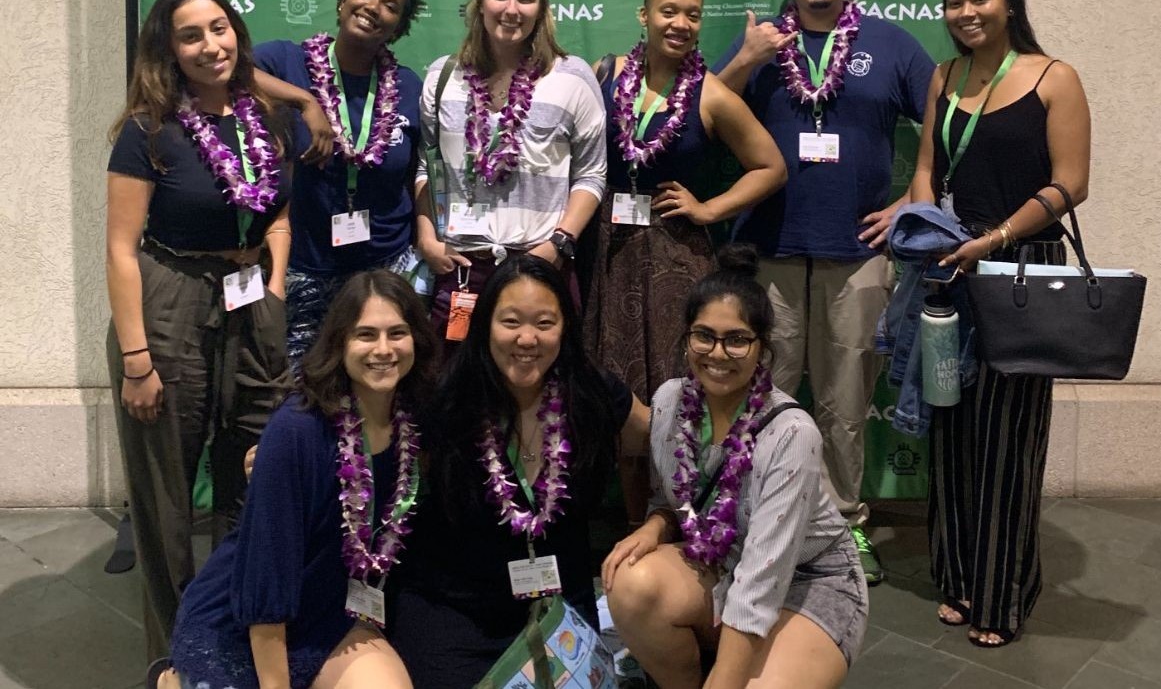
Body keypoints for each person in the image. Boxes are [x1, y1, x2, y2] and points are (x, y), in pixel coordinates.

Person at [713, 0, 936, 583]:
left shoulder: (891, 45)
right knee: (765, 399)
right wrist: (748, 56)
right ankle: (758, 524)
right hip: (771, 250)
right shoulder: (760, 45)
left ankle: (843, 528)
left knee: (842, 406)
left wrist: (912, 199)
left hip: (858, 256)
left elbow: (950, 123)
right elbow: (704, 110)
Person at [106, 0, 295, 661]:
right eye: (191, 35)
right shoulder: (147, 130)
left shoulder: (266, 117)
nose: (210, 44)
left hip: (249, 299)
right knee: (166, 494)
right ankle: (176, 656)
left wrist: (272, 281)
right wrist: (137, 361)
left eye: (219, 27)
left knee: (256, 465)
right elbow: (121, 249)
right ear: (169, 48)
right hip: (169, 300)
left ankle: (243, 633)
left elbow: (278, 210)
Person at [908, 0, 1090, 647]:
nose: (966, 13)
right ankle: (956, 578)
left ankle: (1001, 595)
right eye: (954, 2)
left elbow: (1072, 183)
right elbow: (927, 165)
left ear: (1008, 2)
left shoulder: (1054, 77)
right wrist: (928, 228)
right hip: (950, 267)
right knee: (951, 428)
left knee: (1008, 441)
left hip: (1021, 270)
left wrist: (996, 238)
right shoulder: (945, 76)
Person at [603, 246, 867, 688]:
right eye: (703, 335)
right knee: (630, 581)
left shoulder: (791, 433)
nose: (717, 353)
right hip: (722, 562)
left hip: (808, 581)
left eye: (737, 339)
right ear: (687, 338)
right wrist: (652, 527)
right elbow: (671, 500)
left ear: (762, 348)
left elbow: (763, 576)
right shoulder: (670, 401)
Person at [162, 270, 434, 688]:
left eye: (397, 333)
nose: (383, 349)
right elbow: (266, 575)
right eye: (366, 335)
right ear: (339, 342)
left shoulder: (415, 421)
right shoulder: (298, 430)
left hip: (331, 616)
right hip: (244, 625)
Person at [388, 255, 640, 687]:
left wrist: (657, 523)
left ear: (565, 329)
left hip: (559, 604)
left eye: (544, 323)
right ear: (485, 325)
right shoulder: (448, 398)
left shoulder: (590, 392)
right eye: (511, 322)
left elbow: (665, 440)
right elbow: (372, 444)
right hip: (454, 608)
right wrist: (288, 449)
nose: (527, 338)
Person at [584, 0, 786, 405]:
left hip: (677, 258)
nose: (680, 24)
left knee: (677, 387)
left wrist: (710, 210)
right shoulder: (602, 75)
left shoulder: (711, 94)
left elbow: (771, 167)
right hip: (605, 252)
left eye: (692, 15)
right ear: (644, 14)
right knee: (609, 388)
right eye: (668, 12)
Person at [413, 0, 606, 342]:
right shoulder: (442, 76)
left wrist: (558, 244)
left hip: (539, 266)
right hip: (461, 267)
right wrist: (426, 236)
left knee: (540, 391)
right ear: (479, 3)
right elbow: (426, 165)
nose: (512, 9)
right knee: (452, 390)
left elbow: (592, 175)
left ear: (542, 9)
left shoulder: (573, 77)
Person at [254, 0, 432, 368]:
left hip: (385, 268)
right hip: (305, 266)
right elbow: (226, 70)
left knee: (378, 388)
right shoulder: (287, 61)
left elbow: (418, 172)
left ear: (398, 28)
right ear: (342, 0)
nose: (374, 8)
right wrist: (302, 101)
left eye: (391, 6)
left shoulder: (408, 86)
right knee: (300, 390)